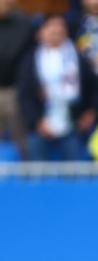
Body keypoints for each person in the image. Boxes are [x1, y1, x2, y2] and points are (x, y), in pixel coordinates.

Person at [16, 14, 97, 161]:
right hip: (41, 123)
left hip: (72, 123)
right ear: (40, 33)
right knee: (37, 169)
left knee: (75, 172)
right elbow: (24, 94)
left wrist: (90, 112)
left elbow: (93, 87)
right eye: (50, 27)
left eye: (59, 26)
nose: (55, 30)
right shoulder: (30, 59)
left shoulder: (77, 56)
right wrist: (36, 121)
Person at [0, 0, 36, 159]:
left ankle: (27, 179)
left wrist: (22, 90)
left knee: (22, 142)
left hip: (14, 91)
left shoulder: (25, 24)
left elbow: (28, 62)